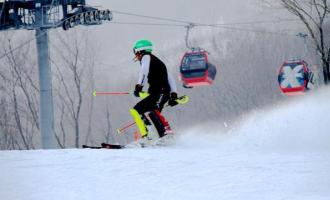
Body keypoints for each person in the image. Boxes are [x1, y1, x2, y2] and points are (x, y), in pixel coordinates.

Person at [130, 39, 178, 143]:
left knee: (148, 111)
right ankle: (152, 135)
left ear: (139, 50)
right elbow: (169, 77)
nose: (136, 56)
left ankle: (156, 136)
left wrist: (139, 86)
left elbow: (144, 71)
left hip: (160, 92)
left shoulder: (146, 57)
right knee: (143, 111)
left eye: (135, 52)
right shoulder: (156, 61)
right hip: (158, 92)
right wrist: (173, 94)